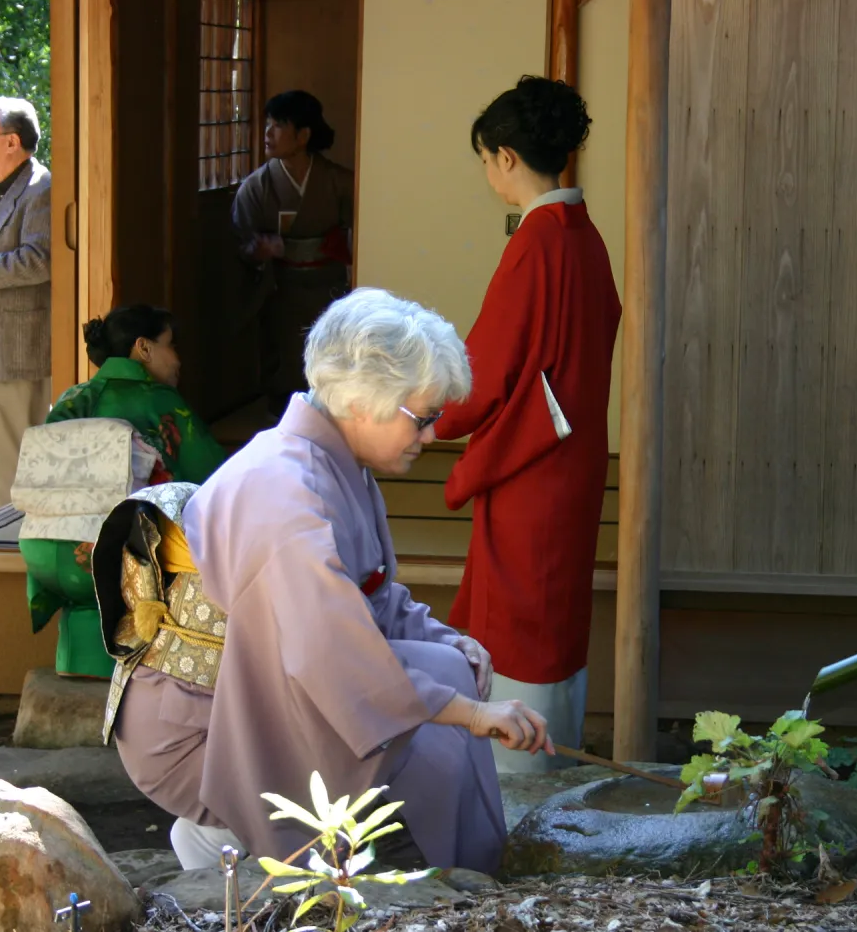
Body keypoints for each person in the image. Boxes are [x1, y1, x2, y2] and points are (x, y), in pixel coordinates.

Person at [91, 288, 552, 873]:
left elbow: (371, 593)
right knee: (431, 747)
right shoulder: (283, 490)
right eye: (424, 419)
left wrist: (447, 641)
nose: (432, 436)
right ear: (361, 403)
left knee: (446, 669)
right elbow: (329, 653)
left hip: (261, 687)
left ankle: (451, 867)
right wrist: (468, 713)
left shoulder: (333, 462)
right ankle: (233, 826)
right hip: (201, 727)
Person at [433, 76, 622, 773]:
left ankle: (518, 770)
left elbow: (485, 369)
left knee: (519, 610)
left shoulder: (536, 243)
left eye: (487, 159)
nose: (488, 172)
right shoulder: (584, 237)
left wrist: (429, 413)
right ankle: (554, 758)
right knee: (555, 605)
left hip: (530, 462)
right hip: (573, 456)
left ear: (506, 157)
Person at [16, 304, 228, 679]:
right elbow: (216, 480)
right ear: (143, 348)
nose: (178, 359)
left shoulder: (71, 398)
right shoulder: (161, 401)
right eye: (171, 345)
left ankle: (74, 661)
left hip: (42, 549)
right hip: (112, 558)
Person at [232, 90, 354, 417]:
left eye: (278, 126)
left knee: (331, 353)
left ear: (303, 135)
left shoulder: (339, 181)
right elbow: (241, 242)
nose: (267, 133)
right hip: (280, 287)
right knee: (285, 355)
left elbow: (360, 231)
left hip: (330, 285)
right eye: (267, 125)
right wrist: (258, 250)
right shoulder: (256, 187)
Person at [0, 96, 53, 521]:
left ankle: (13, 547)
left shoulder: (40, 187)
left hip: (18, 348)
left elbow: (40, 260)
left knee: (12, 460)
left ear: (11, 142)